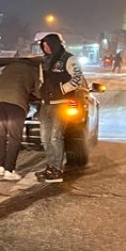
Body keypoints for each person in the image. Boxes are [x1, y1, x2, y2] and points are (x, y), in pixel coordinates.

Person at [37, 33, 86, 183]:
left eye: (48, 45)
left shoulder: (69, 59)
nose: (45, 48)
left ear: (55, 44)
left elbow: (77, 78)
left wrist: (62, 89)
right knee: (45, 139)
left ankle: (57, 170)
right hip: (46, 104)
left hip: (61, 104)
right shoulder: (44, 61)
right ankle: (50, 166)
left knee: (55, 137)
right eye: (43, 45)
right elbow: (40, 80)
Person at [0, 59, 40, 181]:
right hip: (16, 105)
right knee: (14, 137)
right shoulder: (33, 70)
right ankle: (9, 169)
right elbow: (39, 91)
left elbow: (0, 82)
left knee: (0, 135)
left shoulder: (8, 68)